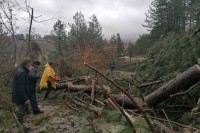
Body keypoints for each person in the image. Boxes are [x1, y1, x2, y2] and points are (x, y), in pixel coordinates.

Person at [12, 57, 32, 130]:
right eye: (30, 63)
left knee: (20, 112)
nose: (30, 65)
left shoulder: (19, 69)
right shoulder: (22, 72)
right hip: (20, 97)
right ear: (27, 64)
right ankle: (20, 129)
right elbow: (21, 87)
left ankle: (21, 127)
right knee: (20, 112)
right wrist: (25, 99)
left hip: (18, 95)